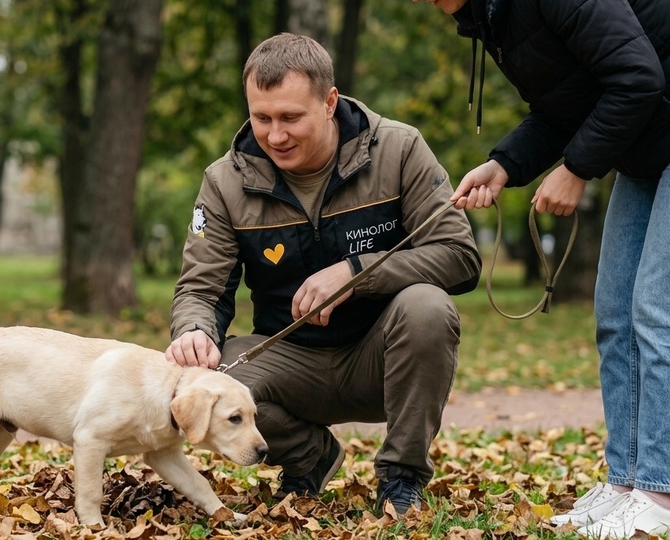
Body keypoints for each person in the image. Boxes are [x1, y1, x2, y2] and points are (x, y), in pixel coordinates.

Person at [415, 0, 670, 537]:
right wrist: (505, 164)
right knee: (615, 313)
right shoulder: (492, 18)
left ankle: (660, 500)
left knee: (664, 311)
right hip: (651, 138)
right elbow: (569, 106)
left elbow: (635, 77)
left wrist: (577, 169)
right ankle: (626, 483)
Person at [165, 33, 482, 516]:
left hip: (381, 360)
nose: (275, 135)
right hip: (287, 364)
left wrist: (357, 273)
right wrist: (193, 331)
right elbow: (200, 287)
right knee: (212, 373)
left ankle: (401, 479)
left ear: (330, 102)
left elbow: (459, 255)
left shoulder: (399, 149)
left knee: (428, 306)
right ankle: (309, 456)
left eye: (291, 117)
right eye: (261, 118)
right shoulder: (224, 181)